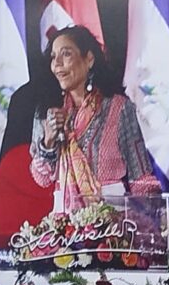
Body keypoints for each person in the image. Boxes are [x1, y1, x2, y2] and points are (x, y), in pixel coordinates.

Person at [30, 26, 161, 212]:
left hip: (112, 218)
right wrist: (48, 141)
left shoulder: (119, 108)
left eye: (66, 54)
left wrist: (150, 216)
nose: (57, 63)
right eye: (53, 56)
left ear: (89, 59)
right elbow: (42, 178)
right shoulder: (47, 112)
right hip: (65, 220)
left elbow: (141, 178)